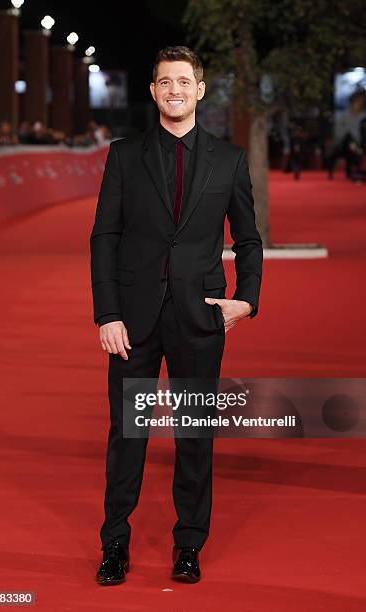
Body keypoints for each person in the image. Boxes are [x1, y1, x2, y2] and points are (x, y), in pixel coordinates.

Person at [90, 45, 263, 586]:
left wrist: (247, 298)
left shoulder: (230, 160)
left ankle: (189, 544)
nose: (174, 91)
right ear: (153, 91)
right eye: (165, 82)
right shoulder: (123, 155)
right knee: (128, 436)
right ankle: (114, 543)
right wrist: (107, 313)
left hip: (199, 316)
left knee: (194, 437)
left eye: (183, 82)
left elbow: (249, 239)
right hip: (133, 320)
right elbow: (105, 238)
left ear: (200, 90)